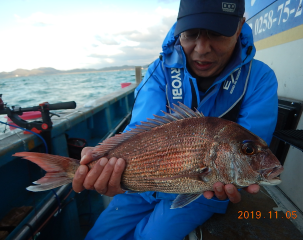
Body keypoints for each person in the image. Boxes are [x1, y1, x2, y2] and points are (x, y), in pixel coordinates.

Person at [73, 0, 278, 239]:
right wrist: (104, 163)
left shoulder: (259, 78)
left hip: (204, 191)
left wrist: (243, 173)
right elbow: (140, 131)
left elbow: (246, 149)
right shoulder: (159, 71)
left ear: (240, 26)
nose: (201, 49)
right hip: (141, 186)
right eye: (190, 34)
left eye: (217, 33)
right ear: (179, 28)